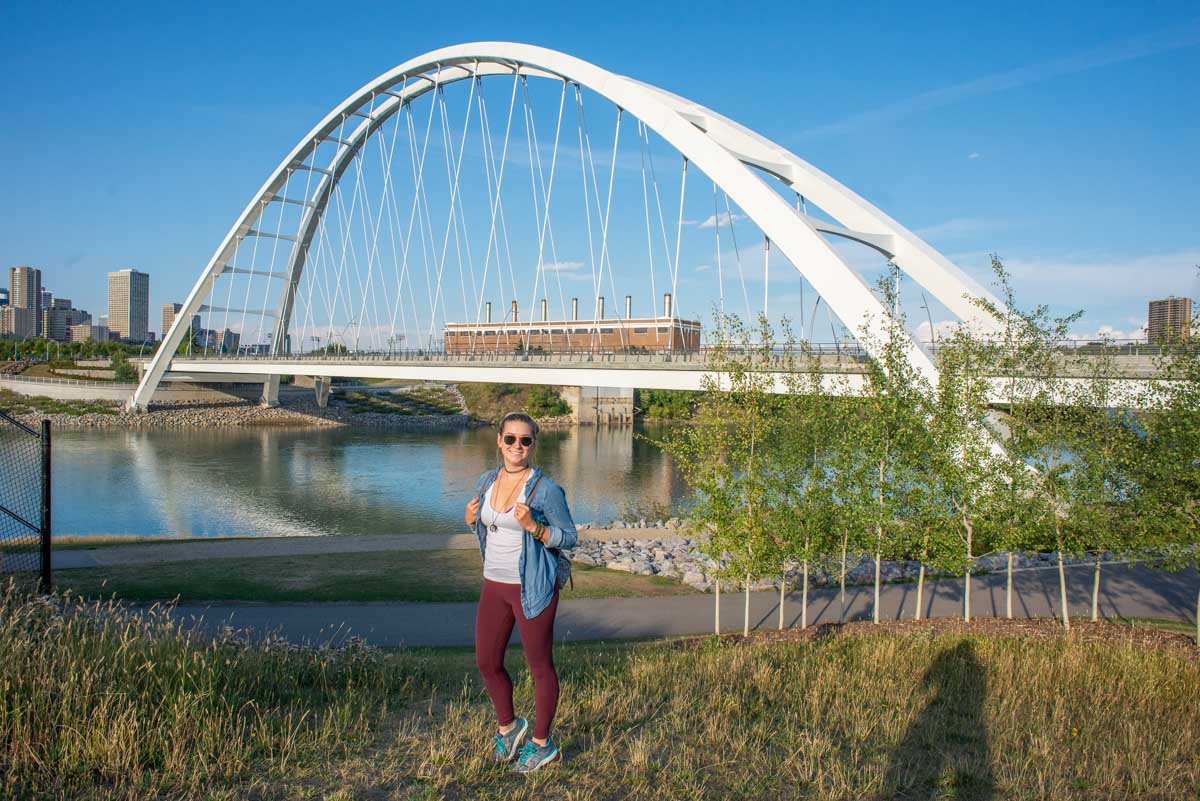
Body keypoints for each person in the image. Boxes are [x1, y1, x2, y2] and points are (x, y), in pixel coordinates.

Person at [464, 412, 578, 773]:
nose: (517, 446)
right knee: (487, 661)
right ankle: (509, 727)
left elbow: (571, 536)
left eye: (525, 440)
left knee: (540, 666)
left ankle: (542, 744)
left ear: (533, 445)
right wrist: (471, 521)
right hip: (493, 585)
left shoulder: (546, 489)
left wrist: (537, 529)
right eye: (510, 439)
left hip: (533, 588)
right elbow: (491, 528)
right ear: (499, 440)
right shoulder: (487, 480)